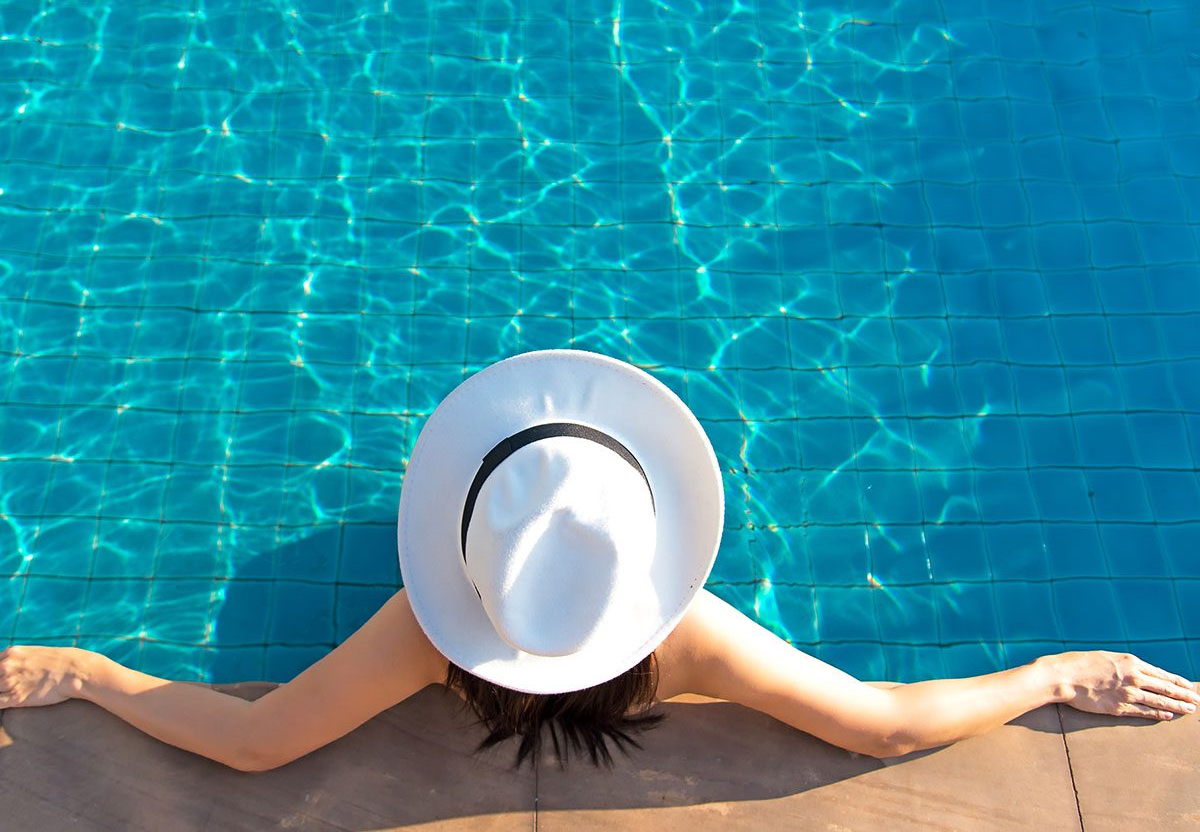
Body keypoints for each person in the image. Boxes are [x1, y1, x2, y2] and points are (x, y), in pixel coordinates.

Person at [1, 350, 1196, 772]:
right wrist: (1049, 674)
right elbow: (879, 724)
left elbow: (259, 747)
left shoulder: (423, 635)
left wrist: (89, 673)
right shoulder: (693, 639)